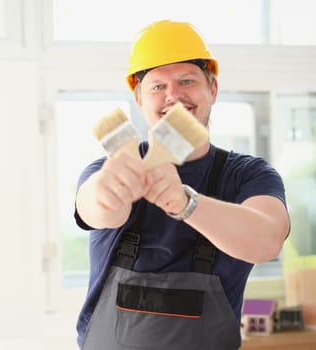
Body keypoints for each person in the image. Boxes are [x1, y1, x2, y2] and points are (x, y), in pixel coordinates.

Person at [74, 19, 290, 350]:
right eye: (157, 86)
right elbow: (97, 207)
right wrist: (111, 187)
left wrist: (185, 202)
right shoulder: (107, 169)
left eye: (187, 81)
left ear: (212, 89)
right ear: (139, 98)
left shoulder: (248, 175)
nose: (173, 96)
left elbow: (267, 241)